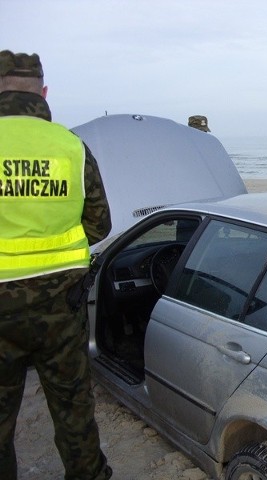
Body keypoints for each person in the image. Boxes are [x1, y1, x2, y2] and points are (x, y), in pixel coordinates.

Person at [0, 50, 113, 479]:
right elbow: (100, 225)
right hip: (60, 309)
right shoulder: (71, 147)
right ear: (43, 92)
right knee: (74, 411)